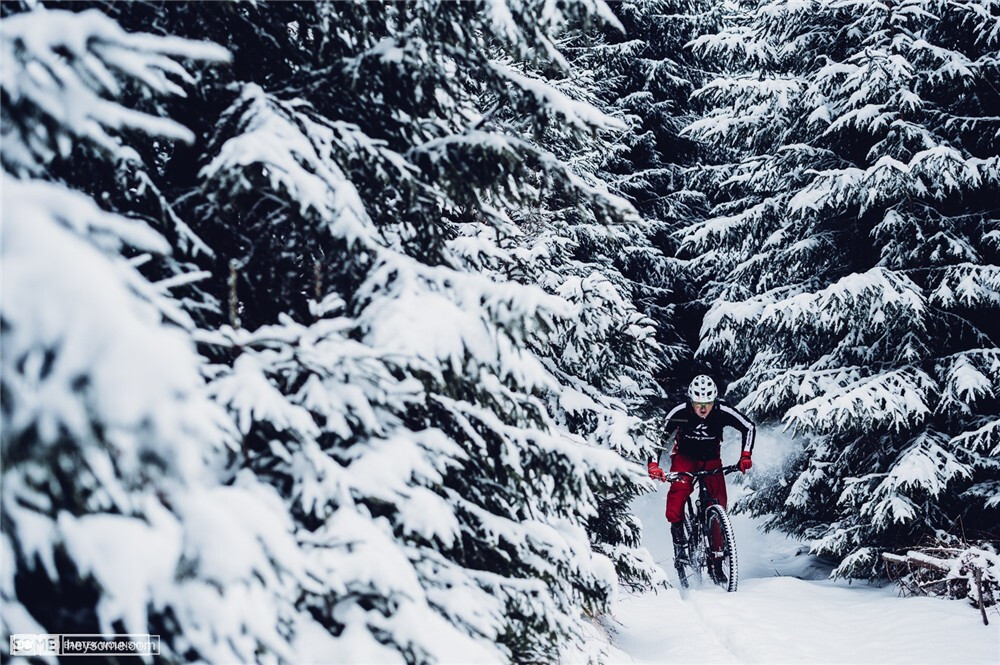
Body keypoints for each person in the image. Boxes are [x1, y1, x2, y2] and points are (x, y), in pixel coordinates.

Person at [647, 374, 756, 581]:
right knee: (678, 494)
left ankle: (716, 563)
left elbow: (748, 427)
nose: (703, 408)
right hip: (684, 459)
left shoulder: (722, 411)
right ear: (691, 401)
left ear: (714, 401)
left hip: (711, 460)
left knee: (718, 503)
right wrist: (653, 465)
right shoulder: (679, 412)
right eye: (698, 404)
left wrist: (745, 455)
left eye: (707, 403)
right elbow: (656, 436)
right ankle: (679, 537)